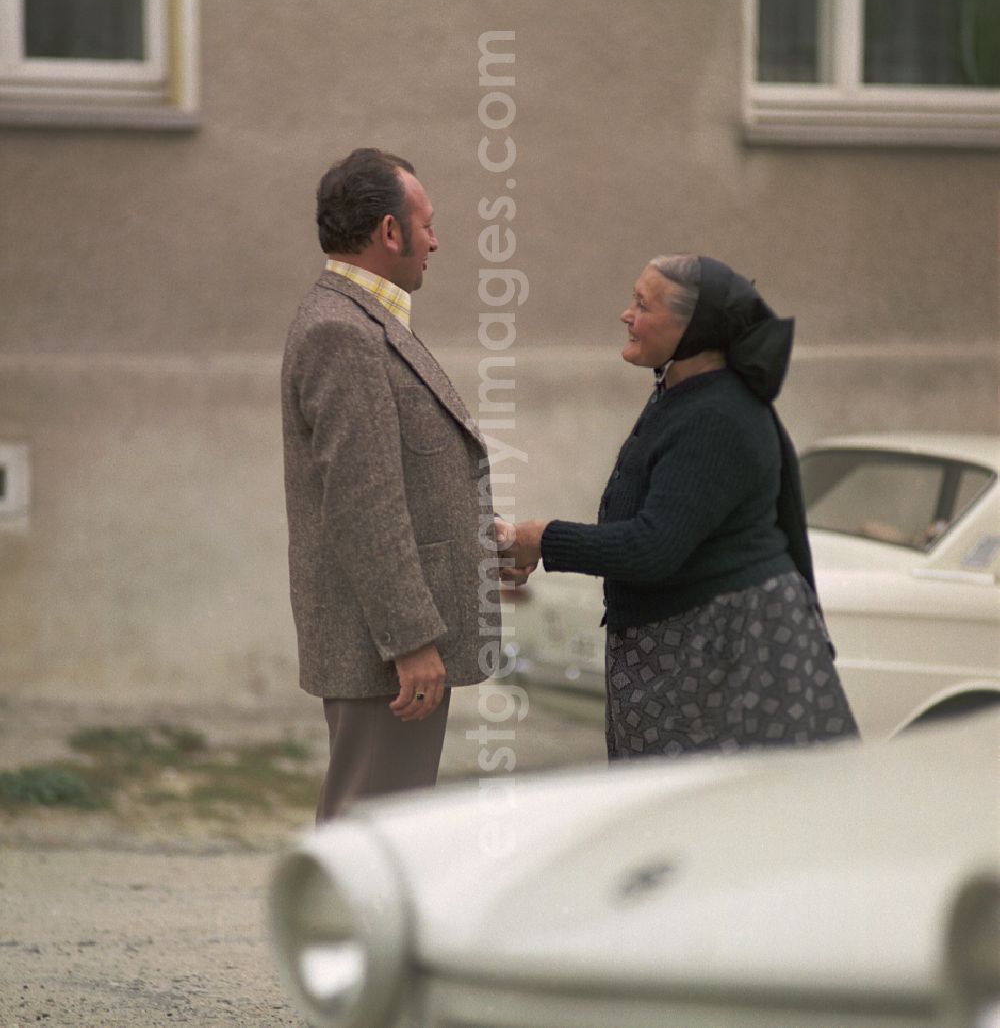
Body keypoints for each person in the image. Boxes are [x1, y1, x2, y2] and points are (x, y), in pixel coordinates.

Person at [499, 254, 858, 758]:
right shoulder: (683, 395)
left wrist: (541, 537)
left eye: (642, 305)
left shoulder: (718, 414)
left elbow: (653, 547)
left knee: (726, 822)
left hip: (732, 653)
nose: (626, 315)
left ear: (694, 327)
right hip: (694, 653)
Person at [281, 148, 500, 820]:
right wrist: (411, 641)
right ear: (389, 231)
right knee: (371, 836)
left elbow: (397, 472)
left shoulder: (363, 320)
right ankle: (339, 933)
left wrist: (479, 543)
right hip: (383, 651)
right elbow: (362, 501)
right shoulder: (341, 332)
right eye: (427, 224)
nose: (436, 241)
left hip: (389, 642)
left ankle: (349, 931)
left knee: (381, 832)